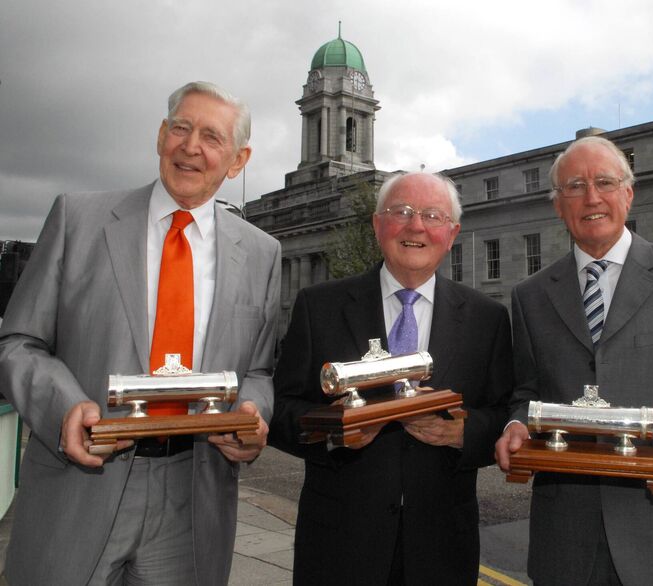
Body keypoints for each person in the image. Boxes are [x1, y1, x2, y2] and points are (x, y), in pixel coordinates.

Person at [0, 81, 281, 585]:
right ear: (160, 136)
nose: (191, 146)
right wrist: (63, 406)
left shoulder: (262, 253)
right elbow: (19, 343)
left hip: (193, 496)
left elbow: (258, 370)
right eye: (181, 128)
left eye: (212, 137)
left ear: (238, 161)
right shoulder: (76, 219)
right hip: (80, 483)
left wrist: (254, 413)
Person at [495, 136, 653, 586]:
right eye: (575, 186)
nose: (592, 197)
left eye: (605, 182)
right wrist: (516, 426)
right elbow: (527, 394)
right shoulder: (529, 296)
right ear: (558, 205)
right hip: (566, 545)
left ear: (628, 194)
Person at [270, 172, 513, 585]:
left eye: (432, 216)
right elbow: (280, 410)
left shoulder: (487, 318)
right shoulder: (319, 306)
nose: (415, 226)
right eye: (400, 212)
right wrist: (334, 432)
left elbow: (506, 413)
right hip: (339, 546)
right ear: (377, 224)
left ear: (451, 233)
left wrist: (460, 434)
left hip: (441, 548)